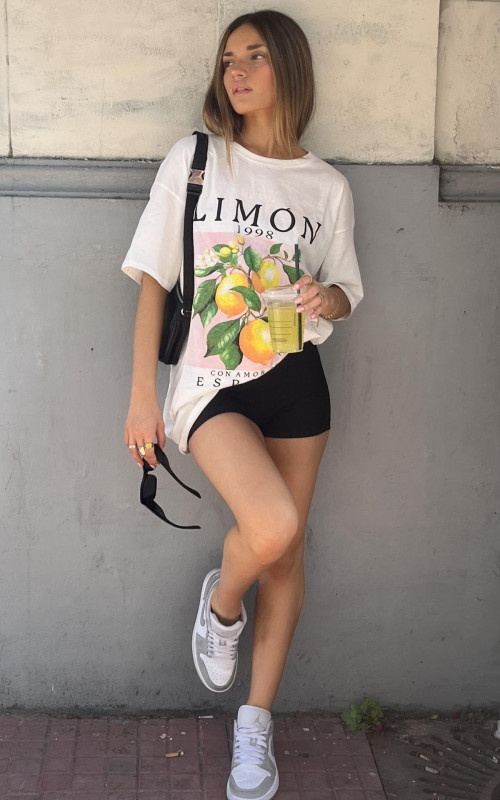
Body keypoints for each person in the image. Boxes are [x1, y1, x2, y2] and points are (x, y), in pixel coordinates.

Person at [121, 10, 363, 800]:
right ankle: (223, 605)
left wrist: (327, 297)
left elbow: (346, 291)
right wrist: (142, 397)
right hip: (210, 380)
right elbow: (153, 279)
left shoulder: (327, 187)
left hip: (295, 374)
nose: (237, 70)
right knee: (272, 526)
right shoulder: (196, 160)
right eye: (229, 58)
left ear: (288, 68)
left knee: (287, 554)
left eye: (255, 55)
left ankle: (254, 724)